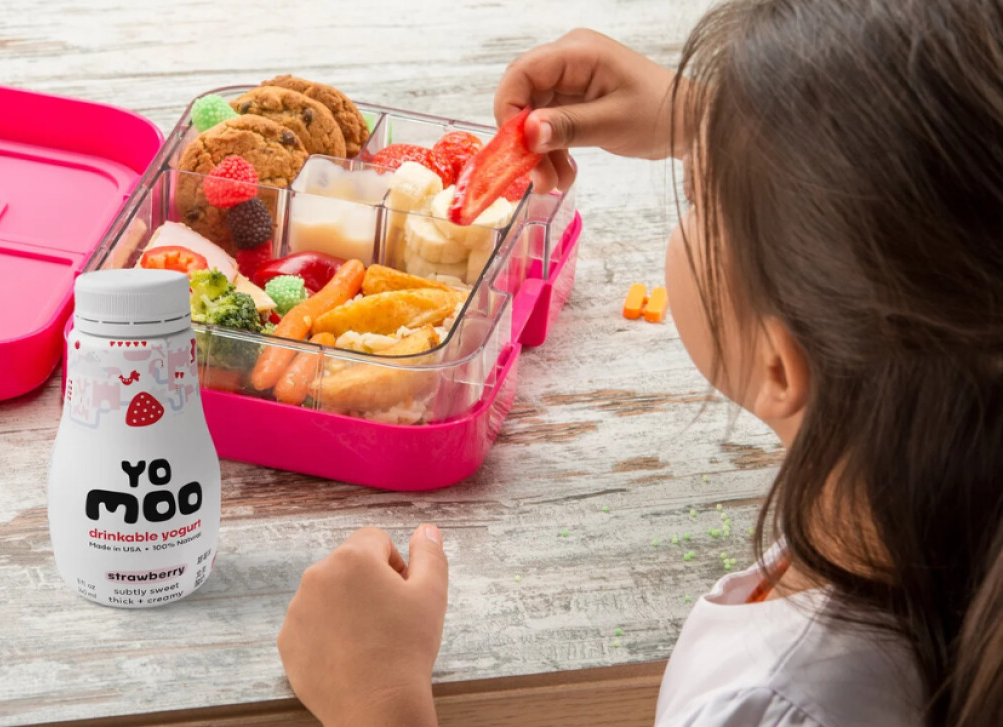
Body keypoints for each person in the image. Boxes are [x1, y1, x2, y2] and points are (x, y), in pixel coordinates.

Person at [276, 0, 1003, 725]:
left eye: (696, 195)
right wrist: (717, 121)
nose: (688, 191)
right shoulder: (937, 467)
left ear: (782, 367)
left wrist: (381, 703)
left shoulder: (770, 705)